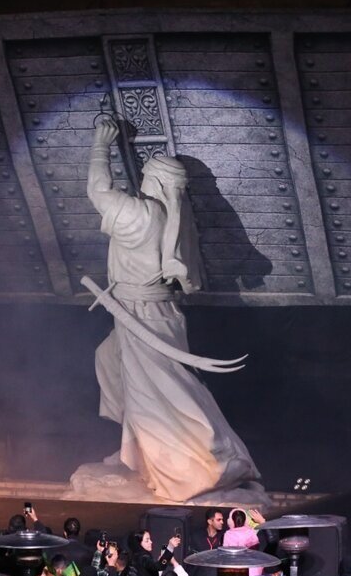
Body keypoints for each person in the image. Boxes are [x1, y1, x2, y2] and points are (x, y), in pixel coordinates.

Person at [85, 118, 261, 502]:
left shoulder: (141, 215)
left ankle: (211, 458)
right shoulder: (166, 216)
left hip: (141, 315)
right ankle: (135, 450)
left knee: (162, 392)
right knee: (109, 360)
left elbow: (98, 191)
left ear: (153, 181)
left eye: (146, 175)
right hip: (153, 312)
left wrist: (101, 145)